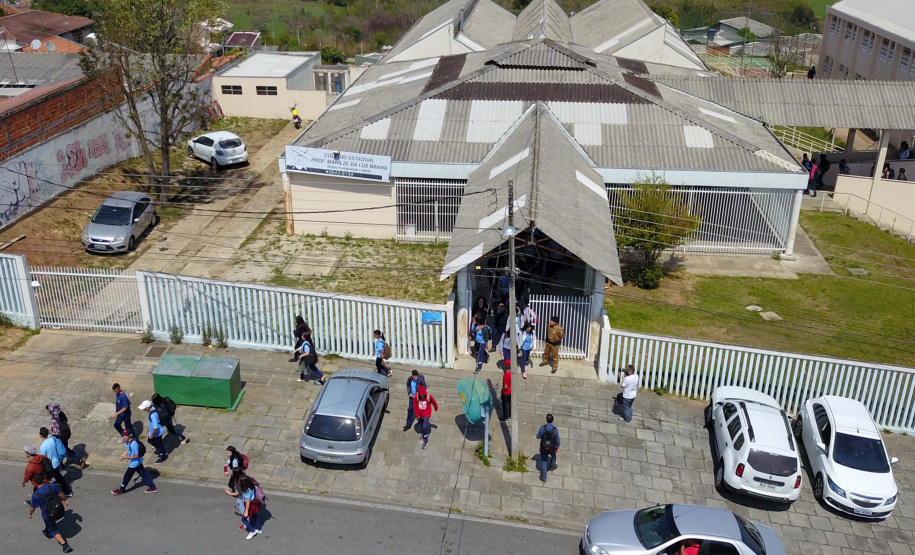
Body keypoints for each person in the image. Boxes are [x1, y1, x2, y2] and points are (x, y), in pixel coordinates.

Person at [28, 475, 73, 553]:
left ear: (35, 483)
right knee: (50, 525)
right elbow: (61, 494)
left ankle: (65, 545)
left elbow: (33, 507)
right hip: (58, 509)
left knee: (54, 530)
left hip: (48, 515)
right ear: (44, 480)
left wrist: (30, 514)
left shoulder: (36, 495)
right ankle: (47, 531)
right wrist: (65, 500)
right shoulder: (52, 486)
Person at [112, 429, 157, 495]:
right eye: (123, 435)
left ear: (130, 436)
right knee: (144, 474)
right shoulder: (127, 441)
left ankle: (121, 490)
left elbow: (136, 456)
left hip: (135, 463)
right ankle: (153, 488)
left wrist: (125, 457)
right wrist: (124, 453)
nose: (124, 437)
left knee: (127, 476)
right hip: (138, 462)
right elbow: (128, 449)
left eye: (126, 435)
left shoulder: (133, 444)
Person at [47, 403, 86, 469]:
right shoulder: (60, 413)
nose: (47, 411)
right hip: (66, 433)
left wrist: (48, 432)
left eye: (48, 409)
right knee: (63, 449)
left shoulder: (54, 420)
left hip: (60, 437)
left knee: (63, 450)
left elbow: (56, 432)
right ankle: (61, 465)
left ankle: (80, 459)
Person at [38, 427, 71, 497]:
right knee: (57, 477)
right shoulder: (52, 439)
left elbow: (42, 459)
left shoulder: (43, 447)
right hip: (56, 461)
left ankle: (67, 491)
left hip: (50, 465)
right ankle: (66, 490)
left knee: (52, 478)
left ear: (41, 435)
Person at [237, 475, 263, 539]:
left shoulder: (246, 490)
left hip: (250, 505)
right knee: (255, 516)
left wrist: (246, 511)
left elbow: (248, 501)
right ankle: (259, 529)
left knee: (244, 519)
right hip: (254, 504)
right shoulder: (251, 485)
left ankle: (252, 531)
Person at [536, 414, 560, 483]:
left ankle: (544, 477)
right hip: (552, 448)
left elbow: (538, 436)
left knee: (544, 460)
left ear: (546, 420)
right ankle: (552, 466)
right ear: (552, 420)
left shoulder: (543, 428)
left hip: (544, 447)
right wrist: (557, 447)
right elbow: (558, 441)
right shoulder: (555, 430)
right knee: (553, 455)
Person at [412, 385, 438, 450]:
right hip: (420, 415)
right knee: (421, 425)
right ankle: (423, 434)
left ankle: (425, 440)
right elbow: (415, 406)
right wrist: (417, 414)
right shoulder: (416, 397)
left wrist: (436, 407)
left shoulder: (429, 396)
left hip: (427, 415)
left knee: (425, 426)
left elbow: (434, 402)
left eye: (423, 394)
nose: (422, 396)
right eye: (421, 394)